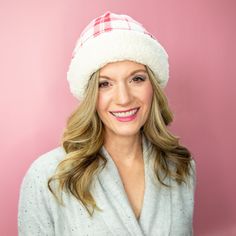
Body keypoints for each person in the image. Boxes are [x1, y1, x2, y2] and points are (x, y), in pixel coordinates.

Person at [18, 11, 196, 236]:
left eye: (137, 79)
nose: (123, 98)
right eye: (105, 84)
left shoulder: (181, 167)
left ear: (153, 87)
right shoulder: (47, 176)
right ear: (90, 95)